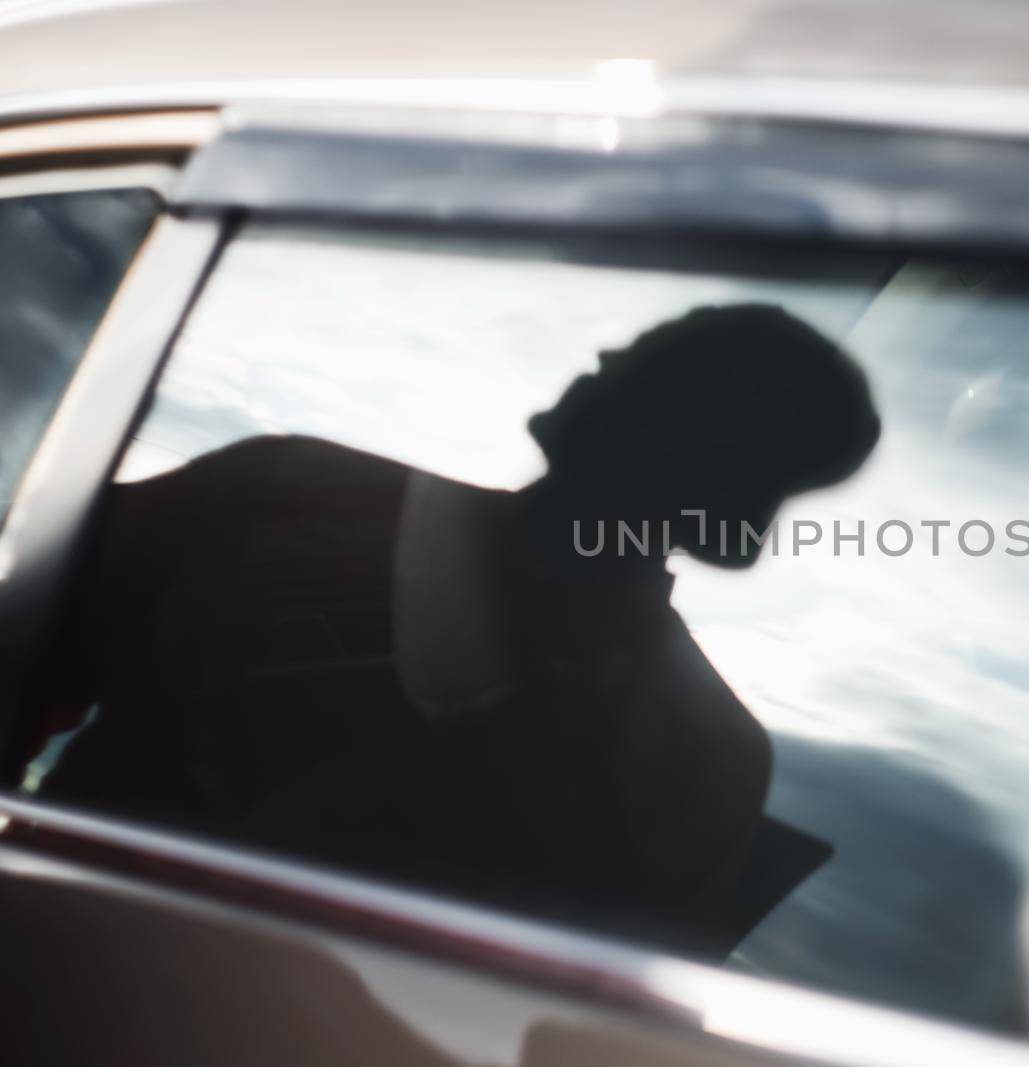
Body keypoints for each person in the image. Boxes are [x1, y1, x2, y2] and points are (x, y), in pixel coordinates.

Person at [39, 303, 881, 957]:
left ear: (711, 462)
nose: (608, 355)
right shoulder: (713, 753)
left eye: (664, 359)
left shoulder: (287, 490)